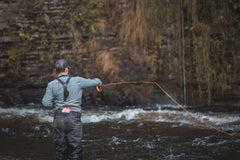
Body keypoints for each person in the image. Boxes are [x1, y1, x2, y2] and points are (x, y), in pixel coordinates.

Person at [42, 59, 102, 160]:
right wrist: (99, 81)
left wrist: (58, 104)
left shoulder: (51, 85)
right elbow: (94, 82)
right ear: (66, 70)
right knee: (75, 149)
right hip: (73, 119)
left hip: (58, 119)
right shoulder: (77, 80)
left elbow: (45, 103)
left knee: (60, 150)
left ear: (56, 71)